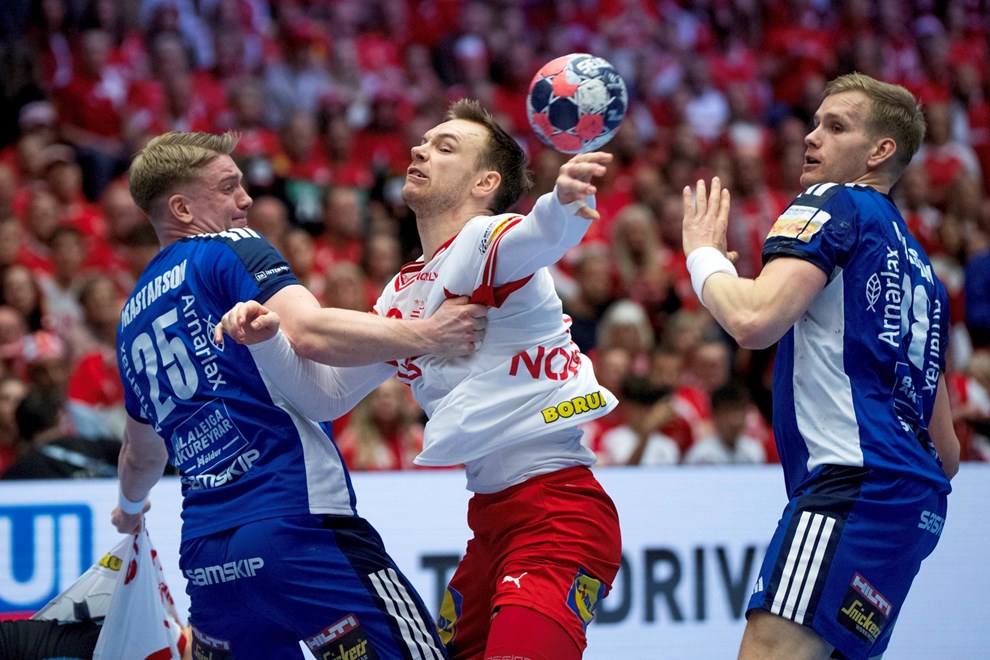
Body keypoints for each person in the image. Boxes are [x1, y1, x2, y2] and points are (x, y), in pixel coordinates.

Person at [218, 99, 622, 660]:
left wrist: (564, 201)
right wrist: (267, 342)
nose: (419, 149)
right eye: (424, 141)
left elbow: (540, 235)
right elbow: (325, 396)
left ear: (485, 183)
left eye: (444, 146)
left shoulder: (486, 239)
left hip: (558, 511)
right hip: (490, 523)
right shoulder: (403, 292)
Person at [111, 131, 487, 658]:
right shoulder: (227, 248)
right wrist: (429, 335)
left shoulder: (129, 319)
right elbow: (309, 333)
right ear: (182, 208)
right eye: (228, 187)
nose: (245, 200)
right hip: (295, 525)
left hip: (207, 560)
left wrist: (129, 509)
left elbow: (140, 453)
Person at [682, 72, 960, 660]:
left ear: (880, 151)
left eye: (835, 127)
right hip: (914, 510)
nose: (811, 137)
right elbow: (949, 452)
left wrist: (703, 256)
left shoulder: (833, 202)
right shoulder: (922, 271)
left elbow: (754, 320)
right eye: (815, 124)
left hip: (851, 486)